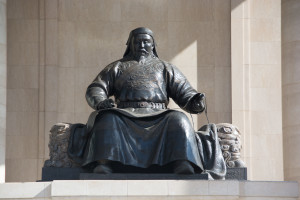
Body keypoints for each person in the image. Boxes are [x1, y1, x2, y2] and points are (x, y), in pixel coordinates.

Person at [68, 27, 226, 178]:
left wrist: (194, 101)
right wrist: (101, 101)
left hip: (159, 114)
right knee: (107, 119)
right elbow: (96, 88)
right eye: (137, 42)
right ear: (130, 44)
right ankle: (104, 162)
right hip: (125, 114)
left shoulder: (165, 67)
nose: (141, 45)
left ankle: (182, 162)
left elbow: (184, 91)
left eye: (146, 41)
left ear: (153, 44)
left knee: (179, 119)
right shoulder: (116, 67)